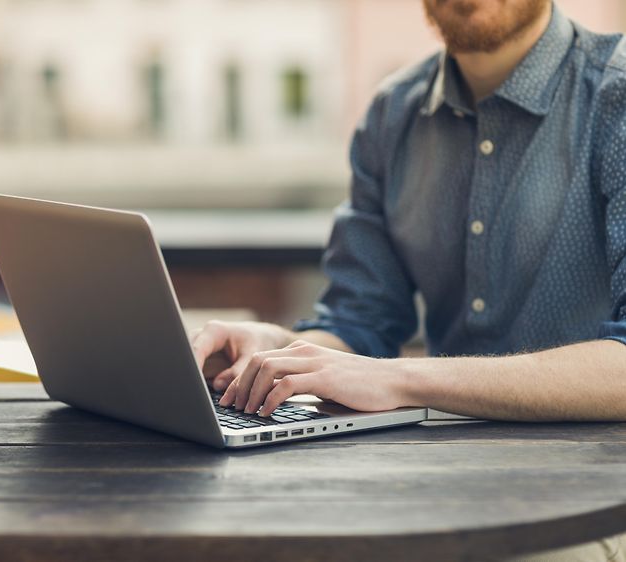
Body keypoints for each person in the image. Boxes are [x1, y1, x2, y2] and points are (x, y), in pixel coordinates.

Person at [191, 1, 626, 560]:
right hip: (439, 491)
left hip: (593, 505)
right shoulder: (391, 115)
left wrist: (402, 379)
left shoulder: (615, 101)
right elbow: (360, 325)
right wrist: (285, 351)